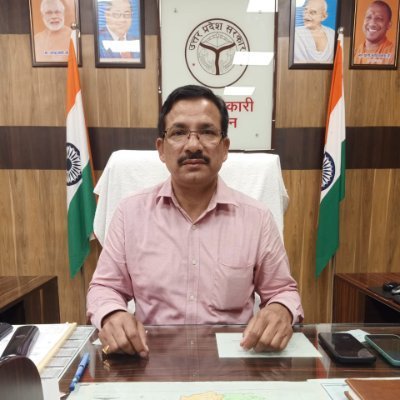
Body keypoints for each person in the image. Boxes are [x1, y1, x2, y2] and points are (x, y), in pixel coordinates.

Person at [87, 85, 304, 358]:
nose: (193, 145)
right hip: (151, 360)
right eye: (178, 133)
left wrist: (280, 310)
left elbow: (283, 291)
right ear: (161, 149)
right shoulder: (129, 213)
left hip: (234, 362)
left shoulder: (257, 218)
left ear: (224, 148)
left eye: (207, 132)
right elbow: (105, 287)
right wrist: (112, 314)